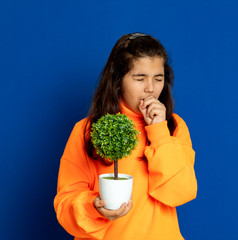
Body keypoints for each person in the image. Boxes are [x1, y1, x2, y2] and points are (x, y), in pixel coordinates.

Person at [54, 32, 197, 240]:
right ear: (119, 80)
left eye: (158, 78)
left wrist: (158, 132)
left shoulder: (173, 127)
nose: (150, 89)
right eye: (140, 78)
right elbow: (65, 204)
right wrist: (93, 207)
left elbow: (181, 192)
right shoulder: (87, 131)